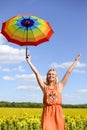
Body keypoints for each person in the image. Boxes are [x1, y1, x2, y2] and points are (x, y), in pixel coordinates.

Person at [26, 53, 81, 130]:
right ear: (47, 76)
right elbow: (37, 73)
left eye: (53, 74)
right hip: (47, 113)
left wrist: (75, 61)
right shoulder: (44, 86)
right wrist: (29, 61)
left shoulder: (60, 86)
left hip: (58, 113)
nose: (51, 75)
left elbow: (68, 72)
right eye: (49, 74)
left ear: (55, 77)